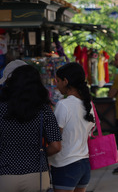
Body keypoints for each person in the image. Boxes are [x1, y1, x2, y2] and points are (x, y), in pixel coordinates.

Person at [0, 61, 62, 191]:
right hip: (37, 176)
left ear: (10, 84)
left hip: (5, 176)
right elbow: (56, 146)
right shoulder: (45, 110)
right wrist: (39, 154)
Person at [50, 62, 95, 192]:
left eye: (57, 81)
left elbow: (55, 139)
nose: (56, 85)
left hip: (65, 165)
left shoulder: (64, 105)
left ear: (65, 81)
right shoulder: (89, 104)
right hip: (84, 164)